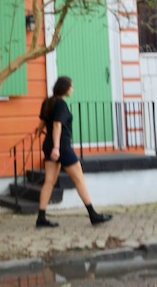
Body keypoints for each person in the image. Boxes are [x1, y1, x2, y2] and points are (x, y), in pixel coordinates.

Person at [35, 76, 113, 228]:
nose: (72, 89)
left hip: (48, 144)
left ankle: (41, 217)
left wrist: (39, 132)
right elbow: (57, 125)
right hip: (61, 146)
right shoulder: (61, 104)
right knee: (79, 179)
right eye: (71, 86)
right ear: (65, 88)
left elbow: (43, 122)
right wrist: (57, 147)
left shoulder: (48, 102)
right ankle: (93, 215)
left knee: (49, 181)